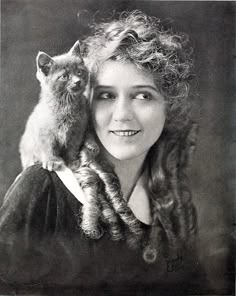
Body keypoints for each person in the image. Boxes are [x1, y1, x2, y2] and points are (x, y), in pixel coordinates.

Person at [0, 10, 202, 295]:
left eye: (143, 95)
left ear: (168, 107)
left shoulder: (171, 201)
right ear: (87, 100)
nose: (122, 115)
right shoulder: (41, 186)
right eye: (106, 95)